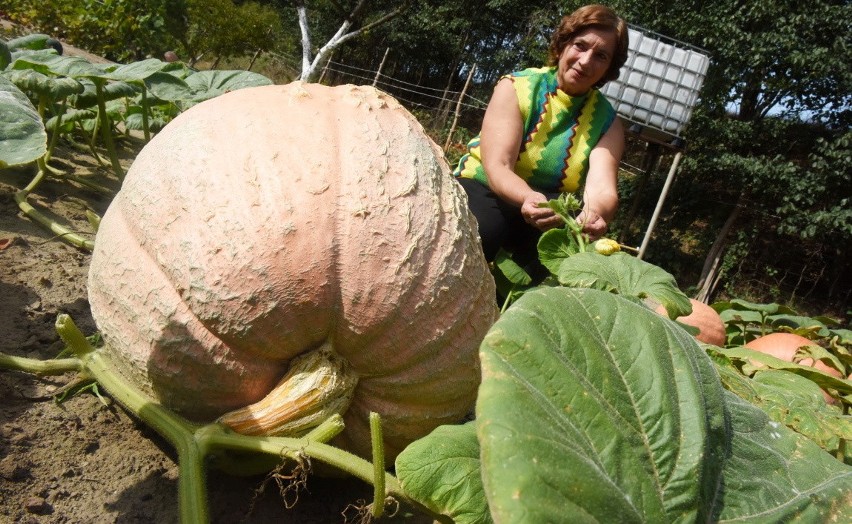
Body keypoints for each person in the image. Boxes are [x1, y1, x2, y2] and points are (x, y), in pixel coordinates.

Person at [454, 4, 628, 276]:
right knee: (483, 231)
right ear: (563, 44)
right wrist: (527, 197)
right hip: (485, 185)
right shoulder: (517, 86)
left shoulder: (608, 122)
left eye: (601, 56)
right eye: (580, 46)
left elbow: (603, 189)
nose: (585, 61)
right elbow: (498, 165)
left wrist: (593, 215)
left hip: (551, 208)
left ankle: (507, 313)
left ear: (609, 69)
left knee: (569, 257)